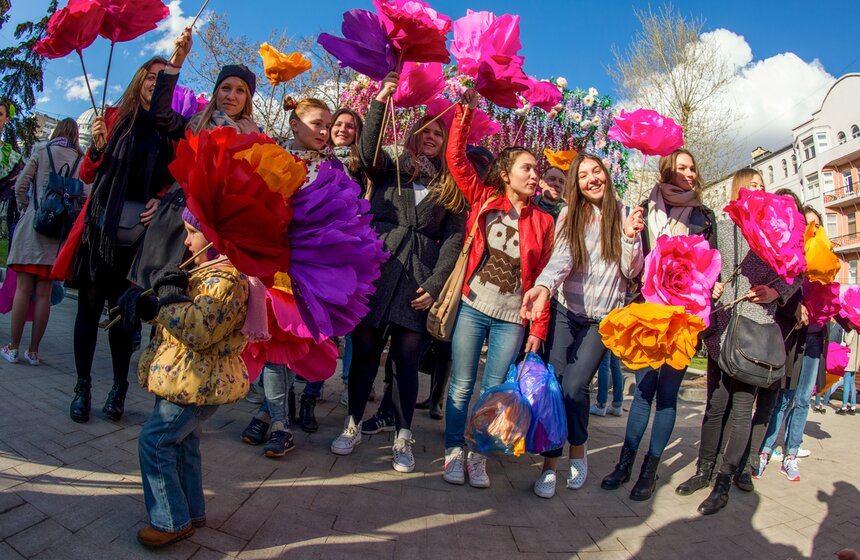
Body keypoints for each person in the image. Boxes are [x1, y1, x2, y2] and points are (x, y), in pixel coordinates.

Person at [330, 71, 467, 474]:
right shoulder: (390, 165)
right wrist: (379, 101)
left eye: (438, 135)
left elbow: (456, 239)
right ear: (412, 134)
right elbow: (366, 148)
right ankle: (353, 423)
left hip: (418, 279)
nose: (431, 138)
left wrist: (436, 283)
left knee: (407, 360)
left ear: (445, 145)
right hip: (377, 268)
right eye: (426, 131)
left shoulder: (449, 186)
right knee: (366, 354)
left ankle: (403, 435)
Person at [441, 89, 555, 489]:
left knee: (493, 391)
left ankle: (478, 454)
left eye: (537, 170)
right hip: (473, 305)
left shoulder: (544, 222)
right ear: (506, 174)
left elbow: (544, 278)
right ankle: (454, 450)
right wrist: (465, 111)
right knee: (460, 384)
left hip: (512, 318)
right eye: (527, 168)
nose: (534, 174)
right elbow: (455, 159)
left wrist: (537, 330)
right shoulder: (484, 197)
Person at [521, 153, 644, 498]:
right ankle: (549, 466)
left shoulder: (624, 216)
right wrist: (544, 287)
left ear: (606, 175)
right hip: (566, 311)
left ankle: (579, 447)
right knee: (555, 388)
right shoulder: (568, 216)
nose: (592, 178)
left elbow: (632, 272)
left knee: (575, 387)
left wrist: (631, 237)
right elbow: (561, 259)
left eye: (597, 171)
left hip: (602, 320)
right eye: (583, 175)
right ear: (576, 183)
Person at [64, 55, 177, 424]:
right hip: (101, 229)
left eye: (164, 79)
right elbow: (87, 172)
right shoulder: (113, 117)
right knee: (89, 309)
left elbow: (173, 177)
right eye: (151, 75)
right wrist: (97, 148)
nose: (155, 82)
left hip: (138, 234)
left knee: (122, 316)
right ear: (140, 78)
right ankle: (82, 387)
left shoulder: (168, 128)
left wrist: (159, 199)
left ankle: (118, 388)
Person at [601, 148, 716, 502]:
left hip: (683, 318)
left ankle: (649, 472)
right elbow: (630, 264)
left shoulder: (704, 217)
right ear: (667, 170)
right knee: (643, 393)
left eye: (692, 168)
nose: (688, 174)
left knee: (667, 396)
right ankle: (625, 464)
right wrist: (631, 234)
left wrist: (715, 281)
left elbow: (710, 265)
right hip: (647, 313)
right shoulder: (645, 207)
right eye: (681, 168)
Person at [683, 171, 799, 515]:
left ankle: (724, 480)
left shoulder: (777, 233)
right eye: (752, 186)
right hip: (722, 325)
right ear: (737, 191)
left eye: (763, 187)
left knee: (742, 408)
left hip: (756, 328)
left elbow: (796, 270)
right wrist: (709, 283)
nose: (759, 192)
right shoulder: (722, 224)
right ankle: (703, 471)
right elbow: (703, 262)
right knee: (716, 404)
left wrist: (777, 291)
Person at [134, 208, 249, 548]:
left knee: (154, 442)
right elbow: (179, 318)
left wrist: (168, 302)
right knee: (184, 445)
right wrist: (155, 309)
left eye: (191, 232)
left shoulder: (227, 281)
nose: (186, 241)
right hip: (184, 378)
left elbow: (199, 330)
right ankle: (192, 511)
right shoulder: (207, 273)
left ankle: (170, 520)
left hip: (196, 382)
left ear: (216, 238)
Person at [1, 119, 82, 365]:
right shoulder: (80, 160)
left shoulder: (42, 151)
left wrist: (28, 209)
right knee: (44, 294)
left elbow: (20, 186)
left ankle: (13, 348)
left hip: (33, 228)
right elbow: (85, 196)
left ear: (57, 132)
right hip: (57, 237)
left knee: (23, 289)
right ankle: (34, 352)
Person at [757, 205, 826, 482]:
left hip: (814, 341)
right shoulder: (792, 262)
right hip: (793, 340)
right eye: (809, 225)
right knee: (783, 398)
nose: (814, 231)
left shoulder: (825, 264)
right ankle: (764, 449)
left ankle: (791, 454)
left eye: (817, 226)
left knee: (802, 400)